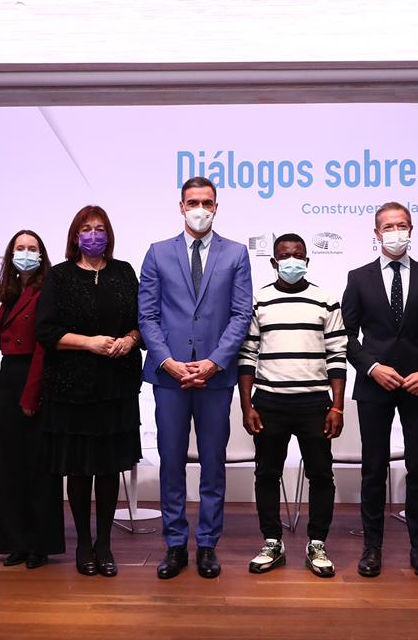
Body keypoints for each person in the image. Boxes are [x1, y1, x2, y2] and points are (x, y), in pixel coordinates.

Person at [139, 177, 252, 579]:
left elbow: (242, 315)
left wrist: (215, 361)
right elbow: (147, 316)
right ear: (180, 206)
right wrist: (167, 361)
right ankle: (174, 544)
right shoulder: (157, 253)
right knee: (170, 463)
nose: (199, 208)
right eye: (192, 202)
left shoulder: (236, 253)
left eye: (206, 202)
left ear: (216, 206)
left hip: (214, 378)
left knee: (213, 464)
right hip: (169, 377)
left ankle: (207, 544)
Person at [36, 206, 143, 577]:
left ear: (109, 235)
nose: (93, 235)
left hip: (117, 386)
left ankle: (105, 543)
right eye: (86, 229)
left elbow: (142, 323)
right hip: (72, 387)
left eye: (100, 229)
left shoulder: (124, 272)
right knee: (79, 470)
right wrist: (89, 343)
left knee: (110, 467)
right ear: (75, 236)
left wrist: (130, 340)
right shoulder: (59, 276)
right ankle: (83, 542)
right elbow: (46, 332)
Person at [341, 201, 418, 579]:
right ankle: (372, 548)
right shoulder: (358, 277)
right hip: (374, 385)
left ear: (412, 230)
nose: (395, 231)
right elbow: (347, 338)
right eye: (388, 226)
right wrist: (371, 366)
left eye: (402, 225)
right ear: (376, 232)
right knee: (373, 469)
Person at [238, 233, 346, 577]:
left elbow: (338, 357)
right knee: (266, 474)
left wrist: (337, 407)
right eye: (284, 256)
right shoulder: (258, 301)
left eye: (298, 255)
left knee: (321, 474)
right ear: (273, 262)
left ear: (308, 261)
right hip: (269, 403)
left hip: (315, 403)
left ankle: (317, 544)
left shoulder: (325, 300)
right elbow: (246, 356)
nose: (292, 261)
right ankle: (272, 541)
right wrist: (246, 406)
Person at [0, 229, 65, 568]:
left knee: (38, 465)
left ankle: (39, 544)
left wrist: (31, 393)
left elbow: (42, 345)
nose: (26, 253)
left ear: (42, 254)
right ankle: (15, 542)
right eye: (19, 248)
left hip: (35, 377)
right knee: (8, 465)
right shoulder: (7, 292)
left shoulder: (47, 288)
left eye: (32, 248)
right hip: (7, 378)